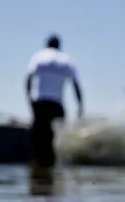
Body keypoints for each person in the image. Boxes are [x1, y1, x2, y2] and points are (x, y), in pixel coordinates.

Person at [25, 34, 84, 168]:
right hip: (56, 104)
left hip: (40, 102)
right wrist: (80, 106)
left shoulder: (39, 56)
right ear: (59, 45)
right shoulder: (66, 60)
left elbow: (28, 78)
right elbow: (76, 85)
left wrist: (29, 99)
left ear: (47, 44)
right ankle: (54, 168)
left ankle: (38, 167)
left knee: (39, 138)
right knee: (57, 137)